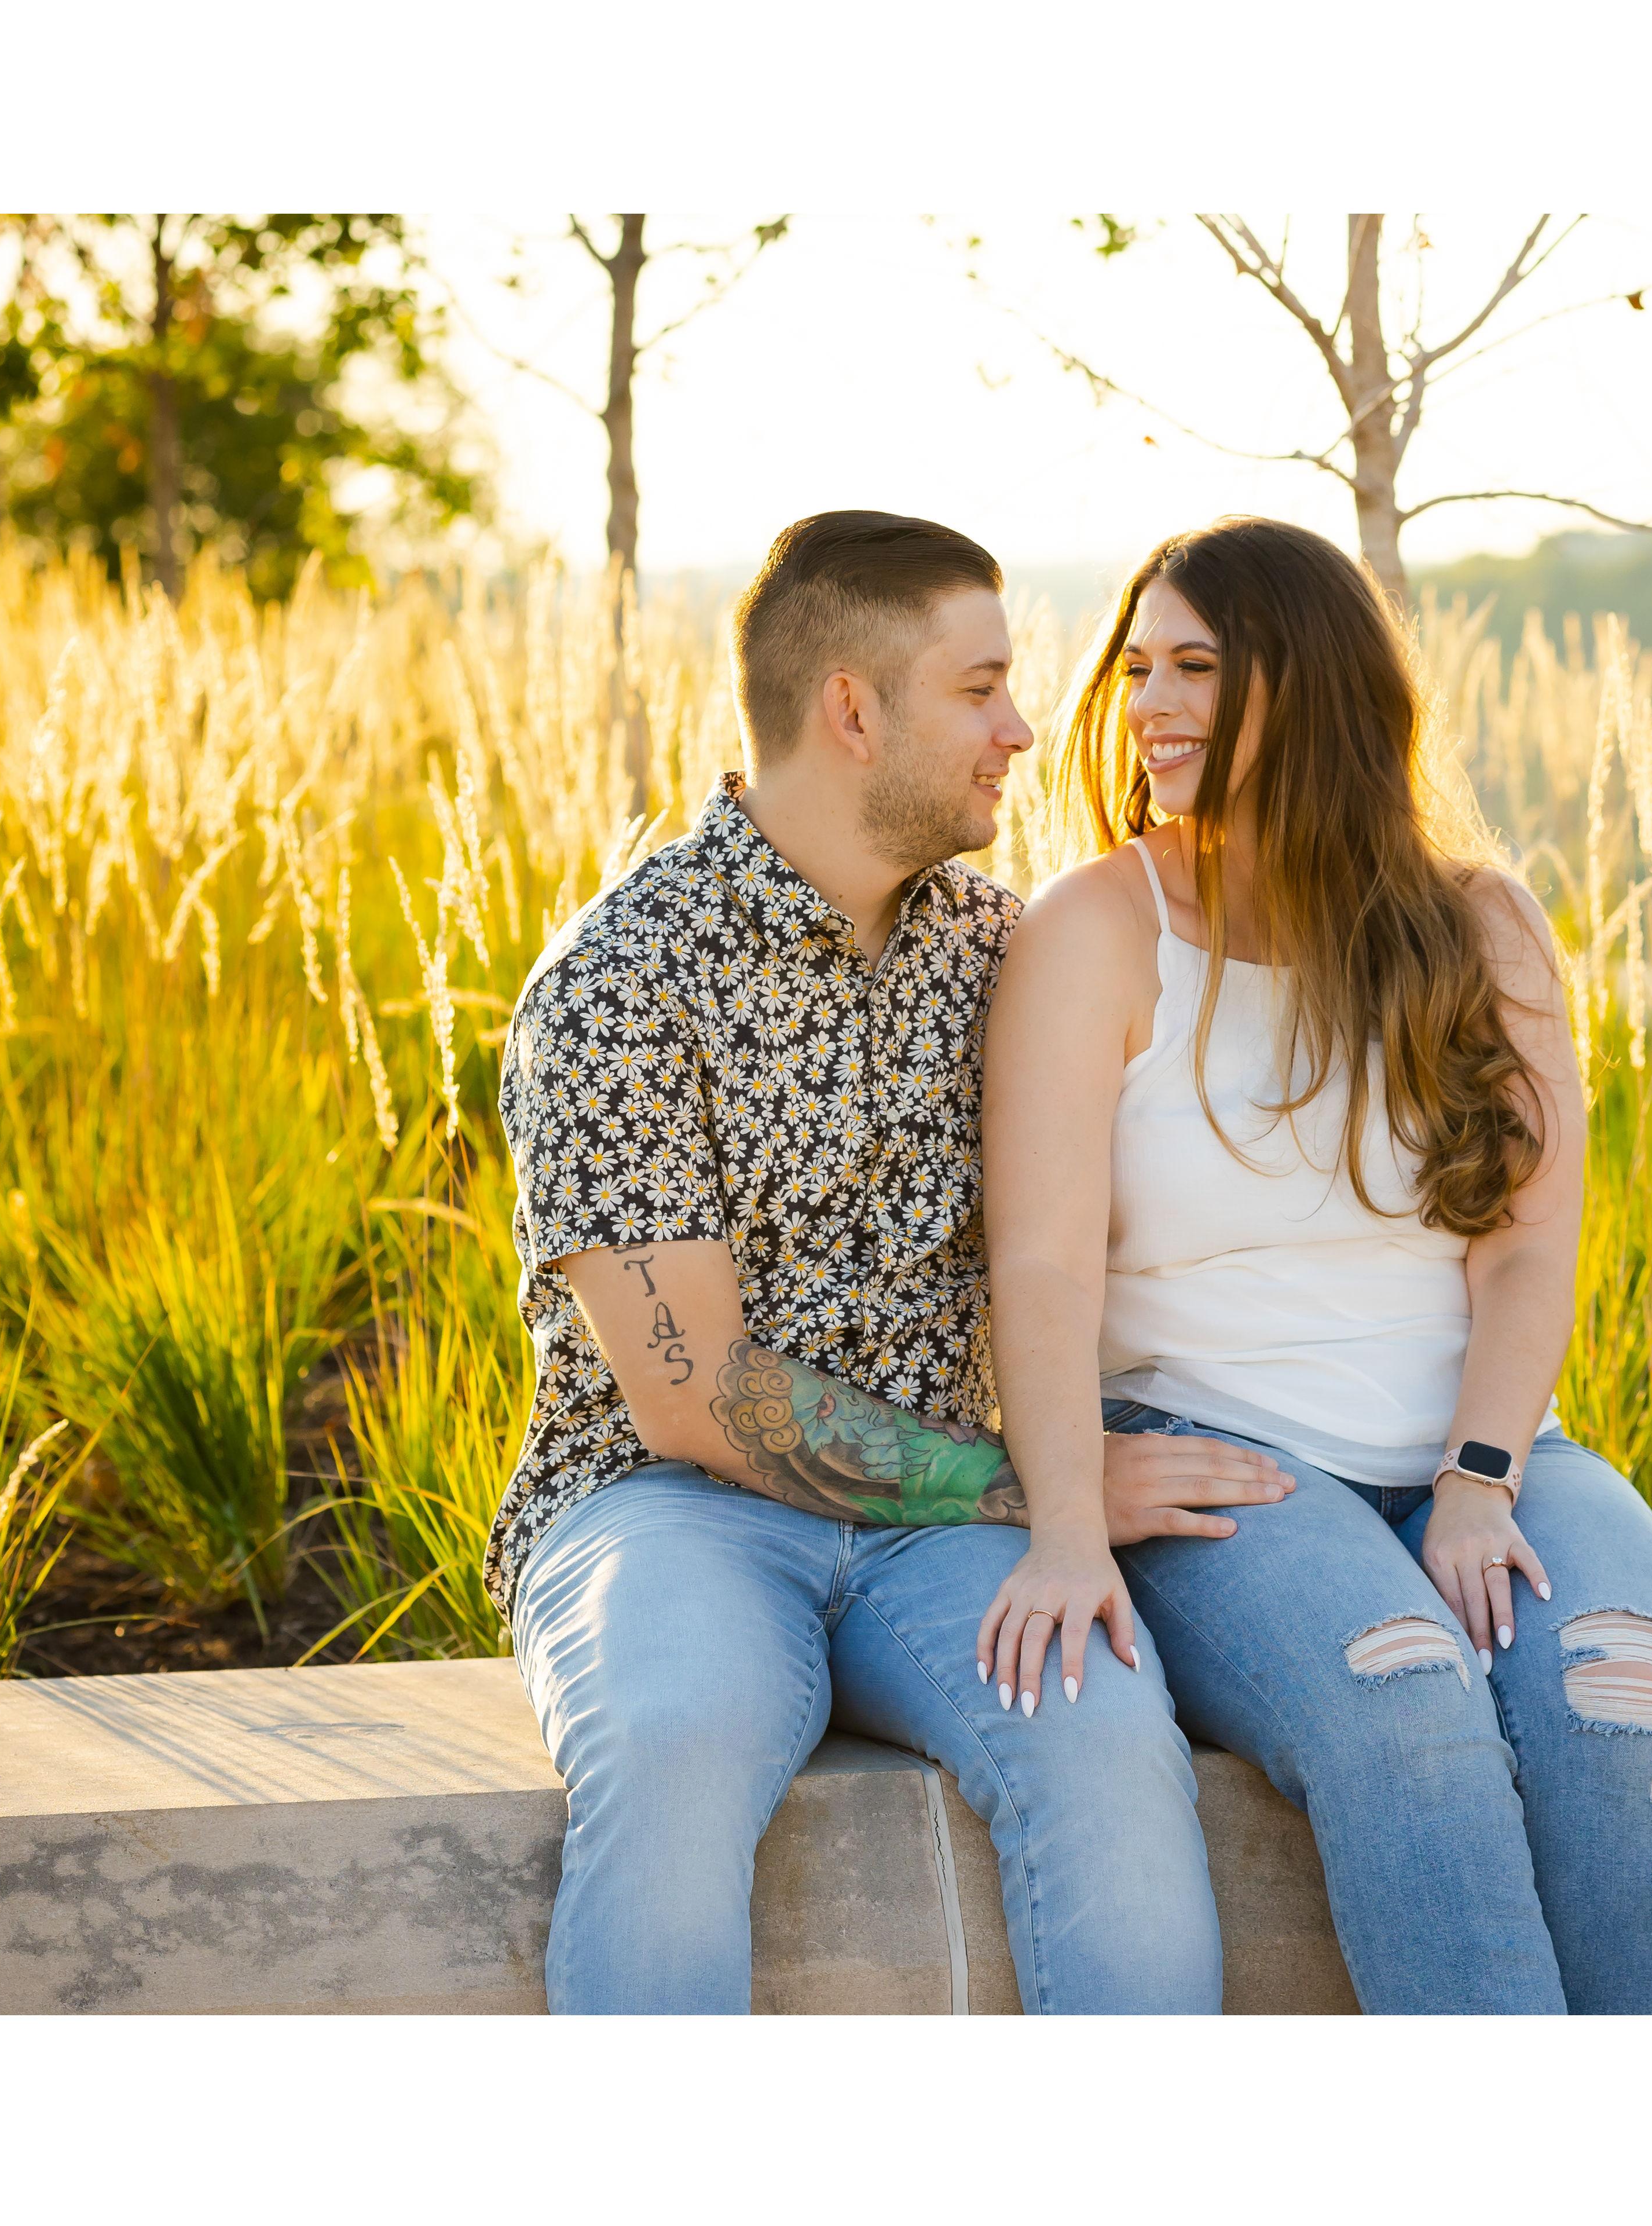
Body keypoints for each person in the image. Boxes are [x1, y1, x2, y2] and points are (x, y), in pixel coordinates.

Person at [489, 511, 1290, 2013]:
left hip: (940, 1549)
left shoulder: (1003, 950)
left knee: (1112, 1737)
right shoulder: (620, 979)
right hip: (670, 1513)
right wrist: (1042, 1488)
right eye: (980, 688)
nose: (1024, 728)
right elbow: (700, 1401)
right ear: (851, 710)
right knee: (668, 1740)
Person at [980, 516, 1652, 2014]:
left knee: (1616, 1696)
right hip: (1219, 1455)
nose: (1149, 705)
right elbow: (1040, 1266)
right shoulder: (1095, 927)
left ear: (1309, 691)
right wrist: (1062, 1519)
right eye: (1137, 667)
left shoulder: (1479, 924)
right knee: (1405, 1704)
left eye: (1195, 666)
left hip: (1485, 1448)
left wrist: (1476, 1478)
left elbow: (1521, 1248)